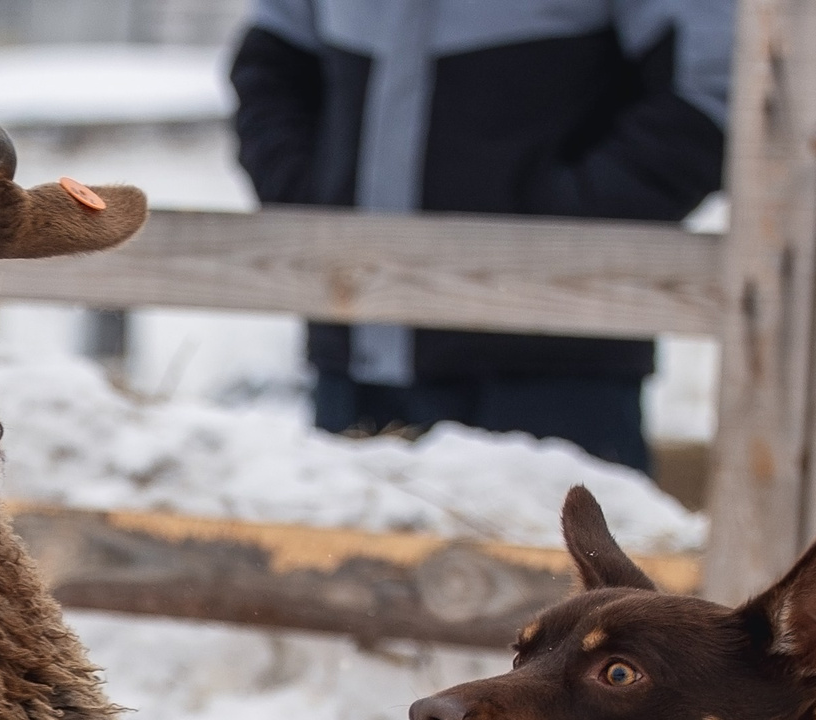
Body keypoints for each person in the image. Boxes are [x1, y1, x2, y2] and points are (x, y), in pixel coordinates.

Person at [229, 0, 734, 471]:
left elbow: (716, 91)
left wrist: (562, 230)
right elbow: (270, 67)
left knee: (567, 566)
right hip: (356, 365)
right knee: (336, 561)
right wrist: (310, 204)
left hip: (556, 377)